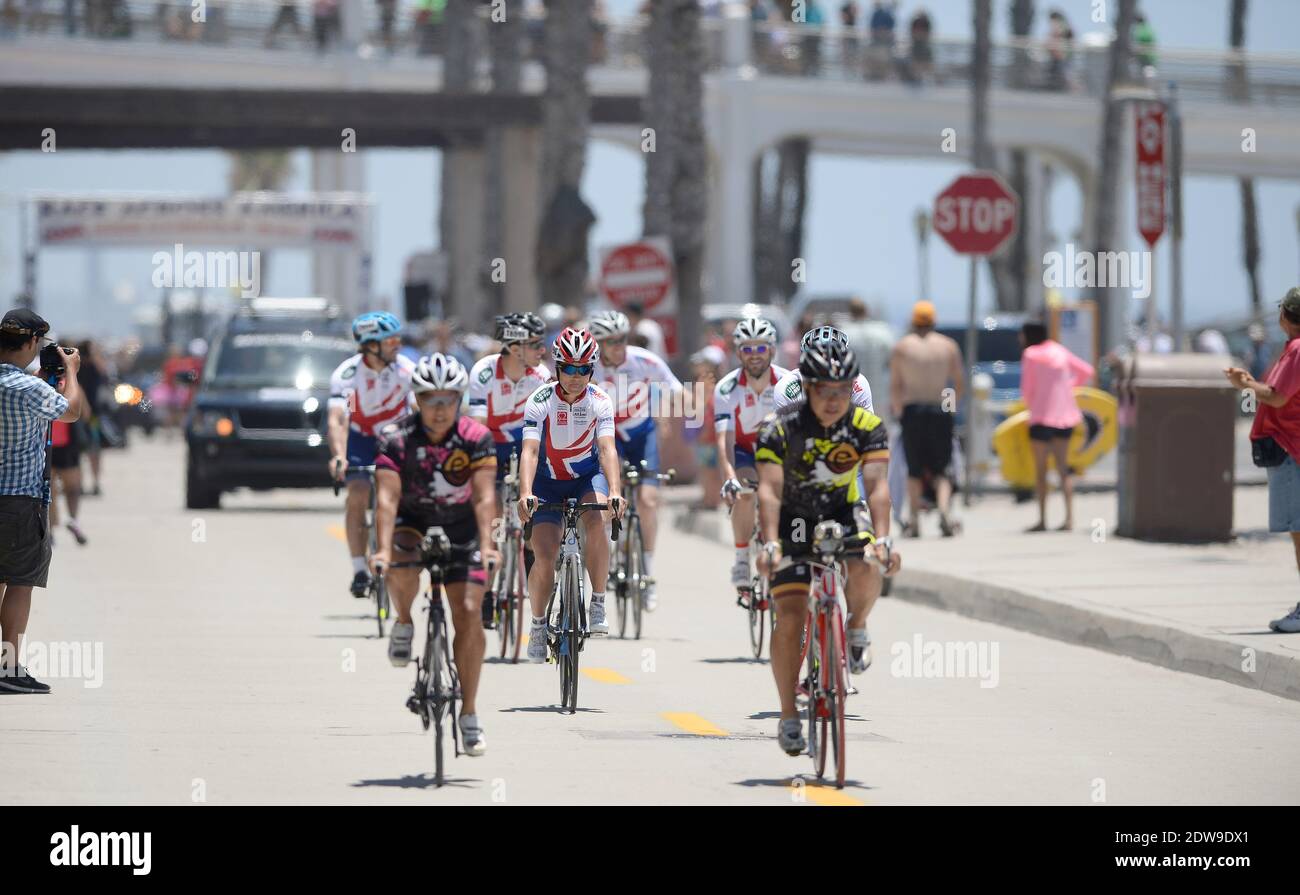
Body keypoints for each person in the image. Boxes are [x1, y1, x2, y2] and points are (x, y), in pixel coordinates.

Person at [755, 340, 899, 755]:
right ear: (807, 388)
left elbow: (876, 485)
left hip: (841, 506)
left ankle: (855, 624)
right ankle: (787, 714)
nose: (833, 400)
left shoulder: (866, 427)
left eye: (842, 391)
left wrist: (885, 539)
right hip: (794, 513)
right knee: (791, 614)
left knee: (868, 563)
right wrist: (769, 544)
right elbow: (769, 489)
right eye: (823, 391)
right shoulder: (779, 426)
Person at [371, 354, 497, 756]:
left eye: (448, 399)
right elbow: (387, 499)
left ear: (460, 400)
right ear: (416, 401)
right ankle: (404, 621)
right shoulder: (395, 437)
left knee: (469, 611)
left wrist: (490, 545)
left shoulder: (477, 437)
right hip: (413, 518)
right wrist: (379, 551)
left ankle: (470, 714)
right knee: (400, 560)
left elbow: (484, 497)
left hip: (462, 523)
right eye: (430, 400)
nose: (440, 409)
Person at [517, 328, 625, 659]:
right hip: (547, 482)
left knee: (597, 520)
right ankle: (537, 625)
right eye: (569, 368)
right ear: (557, 368)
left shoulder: (600, 400)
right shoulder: (540, 400)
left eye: (584, 369)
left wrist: (616, 492)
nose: (576, 377)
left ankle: (597, 602)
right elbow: (530, 452)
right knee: (545, 555)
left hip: (585, 478)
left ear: (592, 370)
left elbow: (607, 449)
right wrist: (524, 493)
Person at [0, 309, 82, 695]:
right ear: (32, 342)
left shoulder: (21, 385)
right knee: (19, 582)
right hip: (18, 500)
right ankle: (8, 668)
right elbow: (73, 411)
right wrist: (72, 373)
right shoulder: (29, 390)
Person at [589, 310, 682, 612]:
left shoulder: (644, 361)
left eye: (623, 339)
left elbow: (675, 392)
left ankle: (647, 572)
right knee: (601, 507)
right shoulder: (586, 366)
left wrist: (666, 415)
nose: (619, 346)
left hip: (641, 433)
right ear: (598, 343)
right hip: (606, 436)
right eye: (611, 341)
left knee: (649, 500)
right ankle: (607, 552)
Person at [467, 313, 550, 626]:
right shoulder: (484, 372)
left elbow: (550, 424)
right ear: (515, 347)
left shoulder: (541, 375)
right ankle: (487, 592)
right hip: (493, 442)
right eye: (535, 344)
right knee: (495, 520)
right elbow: (476, 427)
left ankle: (531, 553)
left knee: (539, 510)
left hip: (528, 444)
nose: (541, 351)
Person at [1225, 287, 1300, 634]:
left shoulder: (1297, 350)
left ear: (1286, 316)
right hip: (1291, 448)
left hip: (1291, 450)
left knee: (1298, 531)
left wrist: (1246, 383)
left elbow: (1278, 397)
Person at [327, 312, 416, 599]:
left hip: (395, 438)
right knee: (358, 493)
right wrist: (339, 455)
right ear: (370, 345)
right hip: (361, 439)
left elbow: (419, 411)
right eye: (391, 340)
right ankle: (359, 570)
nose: (398, 345)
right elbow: (339, 419)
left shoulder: (406, 370)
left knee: (402, 494)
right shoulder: (348, 375)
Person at [715, 318, 790, 591]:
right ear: (738, 353)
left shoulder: (789, 381)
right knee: (744, 493)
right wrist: (729, 477)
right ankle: (741, 558)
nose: (754, 355)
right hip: (745, 451)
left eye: (761, 348)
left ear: (772, 350)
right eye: (747, 349)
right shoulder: (726, 388)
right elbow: (724, 440)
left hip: (780, 453)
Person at [889, 301, 963, 537]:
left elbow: (896, 386)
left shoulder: (903, 347)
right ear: (934, 321)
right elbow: (958, 383)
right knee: (942, 469)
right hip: (939, 409)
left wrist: (900, 411)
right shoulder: (947, 346)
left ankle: (914, 519)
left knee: (914, 469)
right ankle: (944, 511)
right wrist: (949, 407)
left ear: (913, 321)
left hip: (913, 410)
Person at [1019, 320, 1094, 532]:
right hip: (1065, 416)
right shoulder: (1059, 350)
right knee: (1063, 469)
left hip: (1041, 417)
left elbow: (1027, 389)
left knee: (1041, 470)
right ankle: (1069, 518)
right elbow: (1087, 371)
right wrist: (1067, 388)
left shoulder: (1031, 354)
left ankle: (1043, 520)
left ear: (1029, 335)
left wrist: (1031, 405)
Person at [839, 297, 896, 421]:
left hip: (853, 397)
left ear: (850, 312)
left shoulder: (843, 334)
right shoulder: (882, 332)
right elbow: (892, 363)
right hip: (880, 395)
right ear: (866, 311)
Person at [690, 346, 726, 510]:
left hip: (711, 437)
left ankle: (713, 499)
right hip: (705, 437)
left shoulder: (717, 388)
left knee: (711, 471)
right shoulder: (703, 386)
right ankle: (709, 498)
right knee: (706, 470)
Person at [75, 339, 108, 496]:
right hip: (81, 414)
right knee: (83, 450)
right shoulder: (78, 367)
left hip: (89, 414)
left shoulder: (92, 366)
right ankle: (82, 483)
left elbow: (103, 371)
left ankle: (94, 482)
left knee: (92, 450)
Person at [865, 0, 895, 81]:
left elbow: (889, 28)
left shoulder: (887, 15)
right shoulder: (877, 14)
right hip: (877, 43)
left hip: (884, 44)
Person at [1045, 8, 1074, 91]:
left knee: (1066, 74)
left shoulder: (1063, 27)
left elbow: (1057, 35)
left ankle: (1072, 90)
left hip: (1062, 56)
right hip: (1058, 56)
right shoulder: (1064, 26)